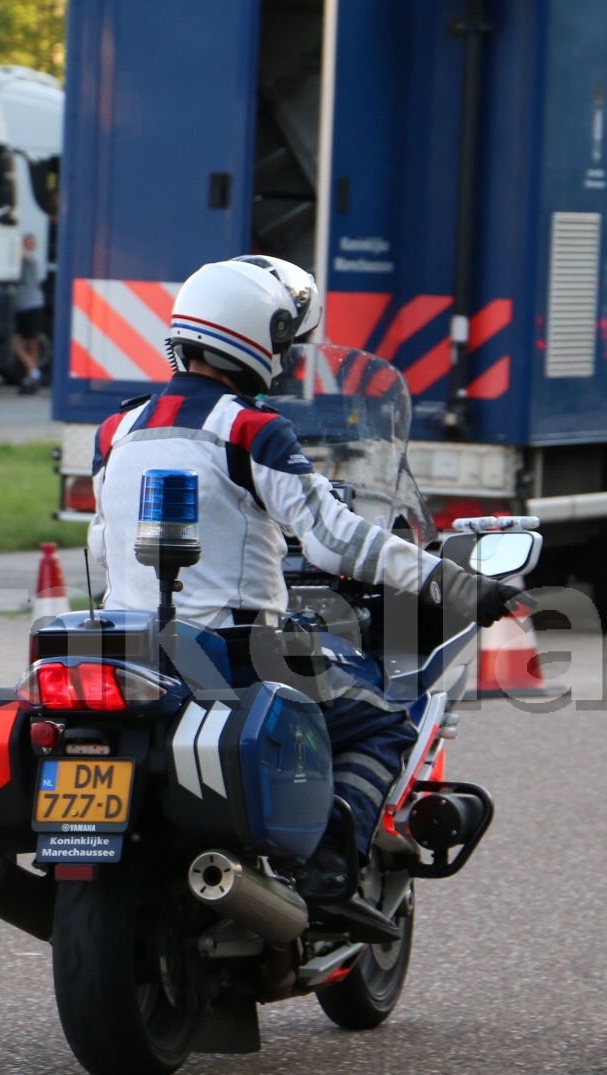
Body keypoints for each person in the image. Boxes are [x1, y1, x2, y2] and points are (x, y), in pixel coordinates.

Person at [86, 256, 521, 938]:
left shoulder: (117, 430)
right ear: (259, 336)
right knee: (382, 720)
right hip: (236, 653)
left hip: (131, 651)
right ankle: (329, 868)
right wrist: (452, 581)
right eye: (286, 339)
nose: (288, 356)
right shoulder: (251, 430)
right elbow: (332, 540)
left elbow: (101, 543)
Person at [11, 234, 46, 394]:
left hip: (29, 304)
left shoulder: (32, 259)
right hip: (30, 304)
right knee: (31, 344)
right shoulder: (34, 259)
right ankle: (32, 374)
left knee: (18, 343)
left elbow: (22, 255)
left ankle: (33, 372)